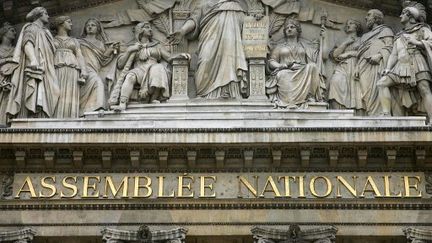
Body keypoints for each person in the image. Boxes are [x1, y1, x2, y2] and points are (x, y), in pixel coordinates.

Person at [168, 0, 248, 99]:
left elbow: (247, 25)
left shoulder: (236, 6)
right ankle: (204, 93)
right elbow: (194, 19)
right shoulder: (205, 4)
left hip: (231, 44)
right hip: (209, 38)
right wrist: (182, 31)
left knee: (229, 62)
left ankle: (228, 91)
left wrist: (256, 20)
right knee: (205, 61)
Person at [110, 21, 189, 111]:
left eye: (150, 27)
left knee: (158, 68)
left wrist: (180, 55)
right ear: (140, 30)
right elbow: (120, 65)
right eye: (147, 27)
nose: (150, 29)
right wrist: (130, 50)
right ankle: (122, 103)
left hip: (153, 67)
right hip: (139, 69)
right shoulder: (132, 46)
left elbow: (169, 57)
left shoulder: (156, 45)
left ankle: (153, 98)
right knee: (130, 76)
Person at [377, 3, 432, 123]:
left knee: (424, 88)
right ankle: (386, 114)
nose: (400, 16)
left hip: (417, 62)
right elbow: (394, 54)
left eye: (403, 13)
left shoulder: (423, 29)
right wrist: (387, 68)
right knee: (382, 83)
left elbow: (431, 43)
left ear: (410, 16)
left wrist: (417, 42)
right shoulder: (399, 35)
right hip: (400, 65)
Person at [7, 7, 60, 118]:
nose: (48, 16)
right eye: (46, 13)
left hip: (47, 66)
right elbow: (27, 43)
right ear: (39, 15)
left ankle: (42, 114)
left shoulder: (45, 32)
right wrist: (33, 59)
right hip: (36, 65)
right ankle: (33, 115)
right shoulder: (31, 27)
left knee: (50, 91)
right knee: (34, 89)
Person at [266, 19, 327, 109]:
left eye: (292, 27)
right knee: (282, 74)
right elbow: (271, 62)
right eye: (287, 28)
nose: (289, 29)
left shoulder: (305, 46)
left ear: (298, 30)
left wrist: (324, 39)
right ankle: (288, 101)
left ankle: (310, 97)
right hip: (285, 70)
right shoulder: (279, 47)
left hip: (302, 71)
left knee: (313, 67)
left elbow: (323, 56)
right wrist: (282, 65)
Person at [356, 9, 394, 116]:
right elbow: (359, 53)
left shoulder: (386, 30)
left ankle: (382, 113)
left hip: (378, 64)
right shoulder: (364, 36)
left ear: (376, 18)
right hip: (363, 65)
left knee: (378, 87)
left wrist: (379, 55)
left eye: (369, 15)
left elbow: (391, 46)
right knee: (366, 92)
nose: (366, 18)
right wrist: (356, 67)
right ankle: (371, 114)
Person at [79, 18, 118, 115]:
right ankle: (98, 107)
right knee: (98, 82)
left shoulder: (100, 44)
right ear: (85, 28)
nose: (90, 27)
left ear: (98, 29)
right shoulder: (79, 42)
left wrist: (111, 50)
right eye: (88, 25)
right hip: (83, 68)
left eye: (93, 25)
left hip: (94, 68)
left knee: (96, 82)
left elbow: (103, 60)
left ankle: (88, 108)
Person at [52, 16, 88, 118]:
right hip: (56, 68)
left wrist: (83, 70)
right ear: (61, 24)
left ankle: (69, 118)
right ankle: (55, 118)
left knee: (69, 94)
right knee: (56, 93)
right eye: (69, 22)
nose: (71, 24)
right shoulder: (51, 39)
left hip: (72, 69)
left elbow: (79, 55)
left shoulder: (74, 40)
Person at [328, 19, 363, 110]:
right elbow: (335, 55)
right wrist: (346, 43)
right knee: (335, 81)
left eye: (351, 23)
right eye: (347, 24)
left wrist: (349, 53)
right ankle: (337, 112)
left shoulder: (362, 40)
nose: (348, 25)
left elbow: (366, 54)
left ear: (357, 27)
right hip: (342, 66)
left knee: (356, 90)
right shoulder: (341, 40)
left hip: (357, 66)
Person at [0, 23, 17, 126]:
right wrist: (9, 59)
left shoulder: (15, 49)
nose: (15, 33)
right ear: (4, 33)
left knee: (7, 100)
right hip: (1, 76)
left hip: (11, 79)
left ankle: (4, 121)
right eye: (12, 30)